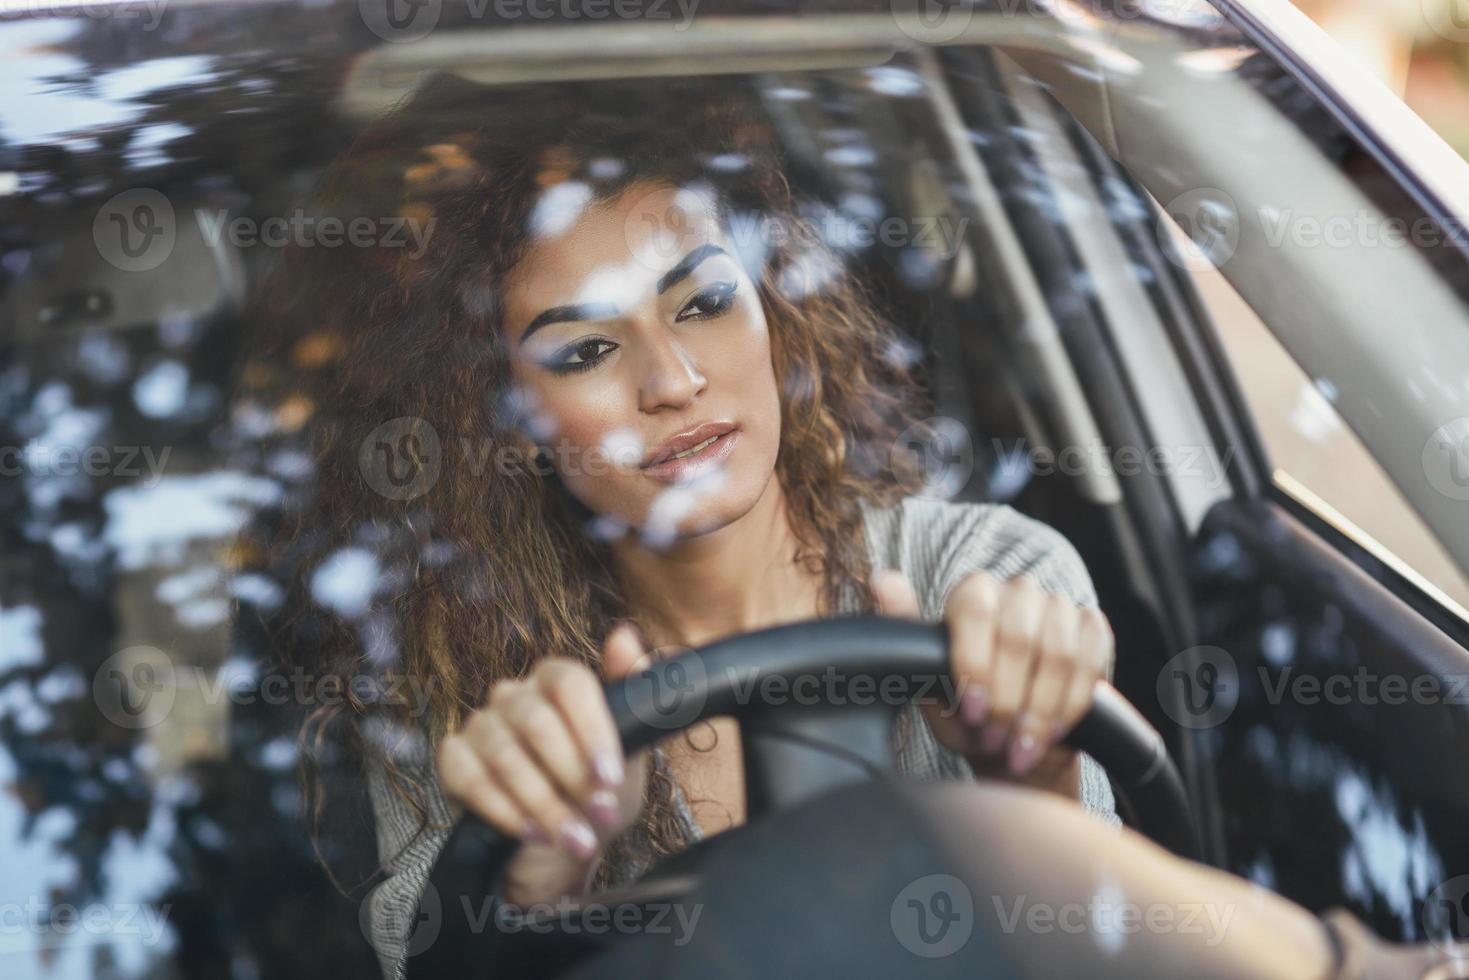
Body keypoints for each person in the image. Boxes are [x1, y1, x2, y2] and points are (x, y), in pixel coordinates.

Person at [253, 75, 1119, 980]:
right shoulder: (458, 707)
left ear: (774, 309)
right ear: (502, 418)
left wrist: (1036, 783)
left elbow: (1111, 952)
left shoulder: (983, 580)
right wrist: (544, 881)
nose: (669, 380)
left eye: (701, 302)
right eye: (586, 350)